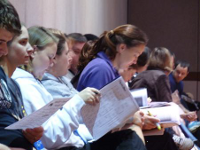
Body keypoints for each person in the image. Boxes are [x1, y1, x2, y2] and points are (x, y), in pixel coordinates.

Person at [11, 26, 100, 150]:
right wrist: (78, 101)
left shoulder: (32, 81)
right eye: (50, 57)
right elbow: (51, 136)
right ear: (34, 52)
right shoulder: (25, 84)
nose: (52, 63)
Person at [77, 24, 148, 150]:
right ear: (121, 47)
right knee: (132, 136)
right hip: (89, 139)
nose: (135, 61)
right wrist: (131, 118)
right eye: (135, 55)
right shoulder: (101, 69)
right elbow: (95, 118)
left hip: (101, 136)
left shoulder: (109, 69)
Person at [130, 47, 194, 150]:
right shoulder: (161, 76)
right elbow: (167, 105)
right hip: (152, 126)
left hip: (137, 123)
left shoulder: (140, 75)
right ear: (168, 61)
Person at [0, 1, 43, 149]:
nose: (4, 50)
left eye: (6, 42)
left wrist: (29, 135)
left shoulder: (11, 83)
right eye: (0, 42)